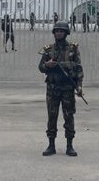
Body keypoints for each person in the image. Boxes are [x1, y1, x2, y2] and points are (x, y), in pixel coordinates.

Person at [39, 20, 83, 157]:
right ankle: (51, 145)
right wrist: (47, 65)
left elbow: (79, 69)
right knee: (52, 117)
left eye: (61, 31)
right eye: (56, 31)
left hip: (68, 89)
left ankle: (69, 145)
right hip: (53, 88)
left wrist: (79, 85)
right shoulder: (48, 50)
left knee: (69, 116)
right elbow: (40, 67)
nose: (58, 33)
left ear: (66, 33)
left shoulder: (73, 49)